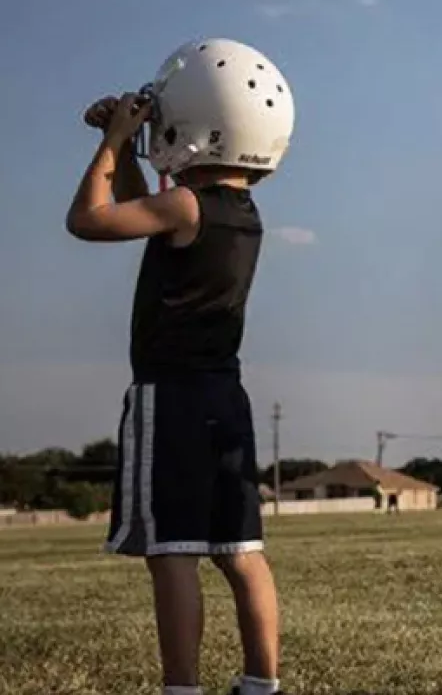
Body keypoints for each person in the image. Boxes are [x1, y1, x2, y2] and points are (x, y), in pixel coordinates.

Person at [68, 39, 294, 695]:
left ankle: (182, 688)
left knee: (172, 554)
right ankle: (261, 685)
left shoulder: (186, 206)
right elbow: (147, 215)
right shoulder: (239, 213)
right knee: (241, 553)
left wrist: (112, 144)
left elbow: (87, 219)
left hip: (171, 396)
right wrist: (132, 150)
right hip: (226, 396)